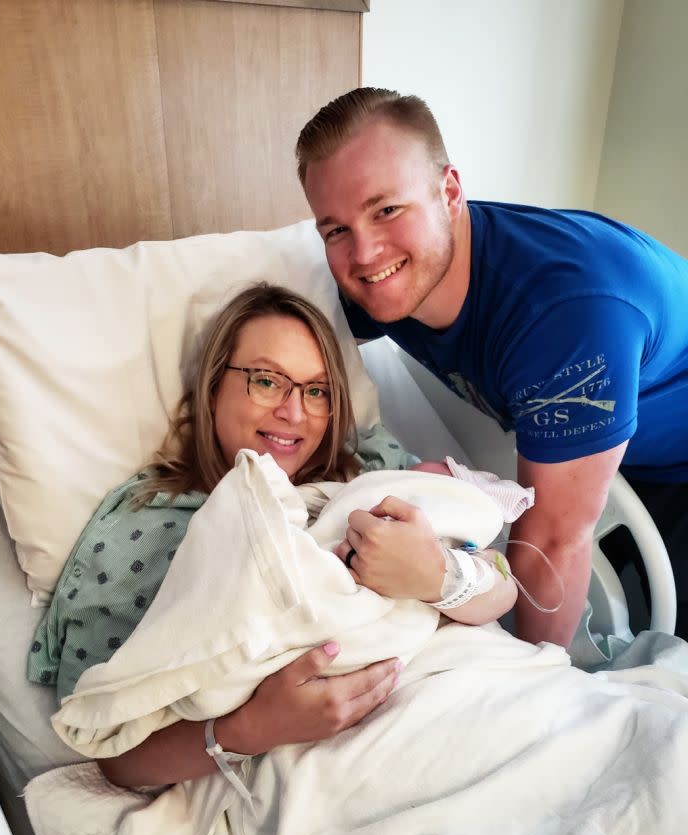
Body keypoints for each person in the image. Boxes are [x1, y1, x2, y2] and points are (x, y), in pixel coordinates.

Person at [28, 282, 517, 835]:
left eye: (317, 391)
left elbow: (501, 590)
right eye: (266, 380)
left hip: (474, 712)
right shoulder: (146, 528)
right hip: (346, 787)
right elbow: (115, 753)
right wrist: (249, 728)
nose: (294, 411)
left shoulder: (369, 477)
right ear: (212, 386)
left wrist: (439, 578)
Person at [295, 86, 688, 648]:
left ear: (449, 193)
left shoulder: (563, 320)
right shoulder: (383, 279)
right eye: (335, 229)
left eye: (386, 210)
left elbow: (553, 542)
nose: (363, 254)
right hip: (633, 441)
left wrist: (529, 681)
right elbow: (292, 351)